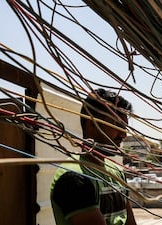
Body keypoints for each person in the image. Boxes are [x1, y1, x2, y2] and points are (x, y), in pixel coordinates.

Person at [50, 88, 137, 225]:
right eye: (117, 125)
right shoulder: (74, 177)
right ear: (92, 123)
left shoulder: (117, 172)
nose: (123, 135)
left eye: (125, 127)